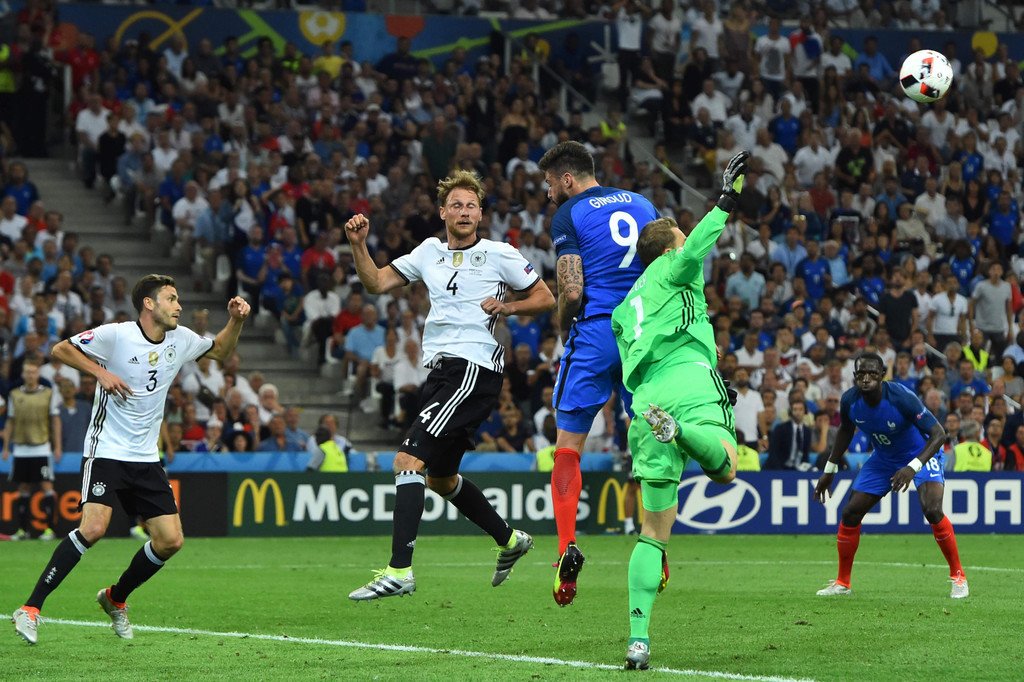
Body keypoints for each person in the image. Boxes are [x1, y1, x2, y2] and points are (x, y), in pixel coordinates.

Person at [343, 170, 555, 600]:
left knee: (407, 460)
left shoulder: (499, 253)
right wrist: (358, 245)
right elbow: (376, 282)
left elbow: (545, 297)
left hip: (473, 367)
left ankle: (399, 571)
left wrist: (508, 308)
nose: (464, 211)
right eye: (456, 205)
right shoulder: (428, 252)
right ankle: (510, 540)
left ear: (480, 214)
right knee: (440, 479)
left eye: (471, 205)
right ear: (442, 212)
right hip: (442, 372)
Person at [11, 275, 251, 645]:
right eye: (171, 299)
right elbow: (60, 349)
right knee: (94, 528)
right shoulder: (116, 335)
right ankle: (30, 608)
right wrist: (100, 371)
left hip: (145, 457)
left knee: (170, 541)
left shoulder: (180, 338)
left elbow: (219, 351)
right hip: (106, 449)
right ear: (149, 304)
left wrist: (235, 321)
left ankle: (115, 597)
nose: (179, 306)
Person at [610, 151, 747, 671]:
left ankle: (638, 640)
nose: (686, 244)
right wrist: (725, 201)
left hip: (646, 402)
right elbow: (696, 249)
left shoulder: (624, 310)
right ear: (668, 248)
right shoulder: (674, 264)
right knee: (726, 467)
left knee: (653, 531)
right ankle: (687, 431)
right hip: (689, 382)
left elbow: (635, 360)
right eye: (680, 238)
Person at [538, 139, 659, 606]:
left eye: (551, 184)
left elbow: (572, 289)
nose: (549, 193)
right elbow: (667, 266)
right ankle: (655, 546)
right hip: (642, 333)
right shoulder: (642, 203)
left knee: (568, 446)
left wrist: (562, 324)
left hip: (597, 331)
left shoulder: (569, 214)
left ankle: (566, 548)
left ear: (568, 179)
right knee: (650, 442)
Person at [813, 352, 968, 600]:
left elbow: (939, 434)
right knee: (851, 512)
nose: (866, 378)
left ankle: (958, 576)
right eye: (861, 374)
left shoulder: (901, 397)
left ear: (882, 375)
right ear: (854, 376)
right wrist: (829, 470)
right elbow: (845, 430)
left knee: (932, 509)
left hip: (920, 453)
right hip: (884, 459)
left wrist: (912, 467)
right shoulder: (850, 400)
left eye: (872, 373)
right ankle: (842, 582)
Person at [1, 360, 61, 541]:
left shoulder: (48, 393)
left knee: (46, 486)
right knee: (23, 488)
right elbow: (10, 420)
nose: (30, 375)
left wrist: (57, 446)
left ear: (38, 374)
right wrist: (6, 447)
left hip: (41, 447)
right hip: (21, 448)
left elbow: (55, 420)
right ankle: (23, 530)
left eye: (33, 372)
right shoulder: (14, 394)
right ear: (23, 374)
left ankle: (50, 530)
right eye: (27, 372)